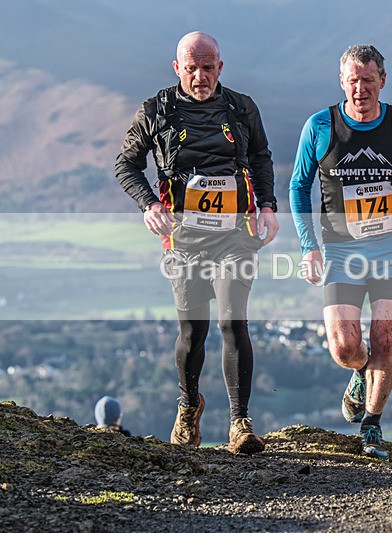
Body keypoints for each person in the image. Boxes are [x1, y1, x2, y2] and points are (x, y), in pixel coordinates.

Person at [115, 32, 278, 455]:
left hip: (235, 235)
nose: (200, 77)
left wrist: (268, 206)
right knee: (193, 330)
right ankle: (189, 406)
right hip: (183, 239)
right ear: (177, 69)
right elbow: (126, 163)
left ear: (220, 67)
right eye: (192, 69)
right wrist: (149, 204)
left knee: (232, 320)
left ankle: (240, 422)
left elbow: (260, 157)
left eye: (208, 68)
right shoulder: (157, 110)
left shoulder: (242, 108)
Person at [289, 44, 392, 460]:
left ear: (382, 81)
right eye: (353, 81)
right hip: (341, 249)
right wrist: (309, 245)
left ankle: (372, 425)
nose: (360, 89)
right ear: (342, 82)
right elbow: (297, 186)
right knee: (344, 346)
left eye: (368, 81)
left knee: (385, 338)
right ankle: (360, 372)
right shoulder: (320, 126)